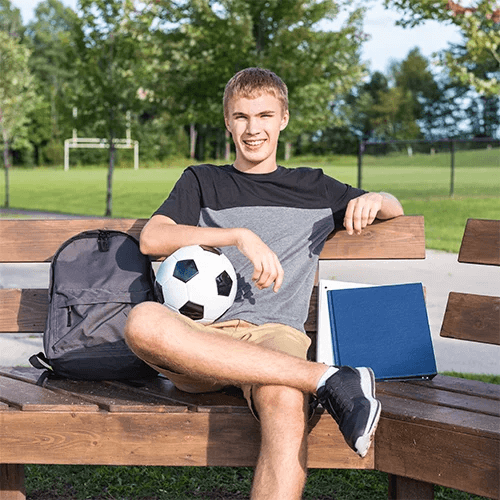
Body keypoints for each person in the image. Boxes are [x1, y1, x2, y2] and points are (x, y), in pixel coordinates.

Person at [124, 67, 404, 500]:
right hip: (202, 337)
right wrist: (237, 236)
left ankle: (314, 380)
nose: (253, 129)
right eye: (241, 117)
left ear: (284, 118)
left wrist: (376, 198)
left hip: (276, 339)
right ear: (227, 122)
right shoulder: (202, 180)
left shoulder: (314, 186)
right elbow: (153, 237)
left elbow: (394, 207)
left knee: (286, 404)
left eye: (264, 115)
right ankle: (329, 380)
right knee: (143, 322)